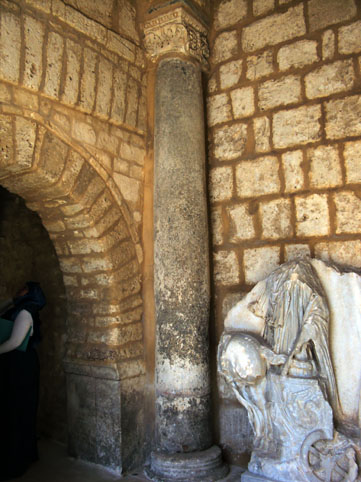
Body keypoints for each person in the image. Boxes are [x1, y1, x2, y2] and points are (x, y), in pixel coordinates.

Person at [0, 282, 46, 480]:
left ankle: (18, 459)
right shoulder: (17, 307)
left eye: (24, 289)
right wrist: (12, 299)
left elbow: (15, 342)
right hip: (15, 364)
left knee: (18, 409)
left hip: (21, 366)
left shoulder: (26, 312)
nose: (19, 290)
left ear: (31, 293)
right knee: (13, 409)